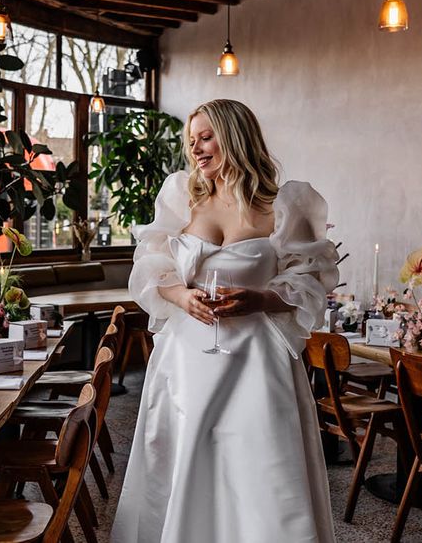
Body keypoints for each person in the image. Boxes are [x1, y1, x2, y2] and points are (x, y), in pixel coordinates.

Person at [111, 99, 340, 543]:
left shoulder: (284, 206)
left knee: (258, 468)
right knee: (187, 458)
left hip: (255, 361)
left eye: (206, 137)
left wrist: (258, 297)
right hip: (186, 361)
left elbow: (310, 283)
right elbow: (152, 269)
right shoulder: (184, 200)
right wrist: (181, 295)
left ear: (235, 136)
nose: (196, 149)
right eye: (192, 140)